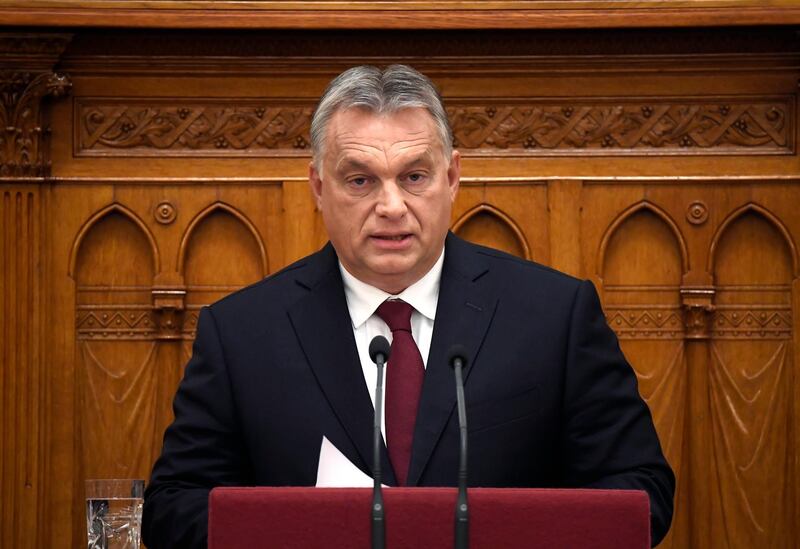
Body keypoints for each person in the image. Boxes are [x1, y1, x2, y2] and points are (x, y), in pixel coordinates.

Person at [143, 65, 674, 548]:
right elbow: (173, 509)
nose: (391, 207)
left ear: (452, 177)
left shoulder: (554, 315)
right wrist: (309, 527)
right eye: (360, 180)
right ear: (318, 188)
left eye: (414, 177)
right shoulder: (242, 334)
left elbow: (640, 493)